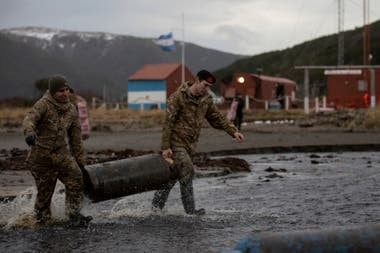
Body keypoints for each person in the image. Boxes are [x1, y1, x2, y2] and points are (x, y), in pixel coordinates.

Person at [151, 70, 245, 215]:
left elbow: (217, 118)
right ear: (196, 80)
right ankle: (190, 211)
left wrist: (233, 131)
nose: (206, 89)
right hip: (176, 143)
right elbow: (168, 123)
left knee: (172, 176)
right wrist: (165, 147)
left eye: (209, 87)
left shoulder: (205, 100)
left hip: (190, 145)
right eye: (204, 85)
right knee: (188, 169)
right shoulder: (178, 97)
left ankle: (155, 210)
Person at [23, 75, 92, 226]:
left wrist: (80, 160)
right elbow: (30, 118)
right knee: (45, 196)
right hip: (41, 157)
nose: (65, 93)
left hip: (61, 154)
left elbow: (76, 138)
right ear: (53, 91)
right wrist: (29, 132)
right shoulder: (43, 104)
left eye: (67, 90)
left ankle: (73, 215)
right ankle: (41, 223)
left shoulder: (72, 109)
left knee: (76, 178)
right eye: (61, 91)